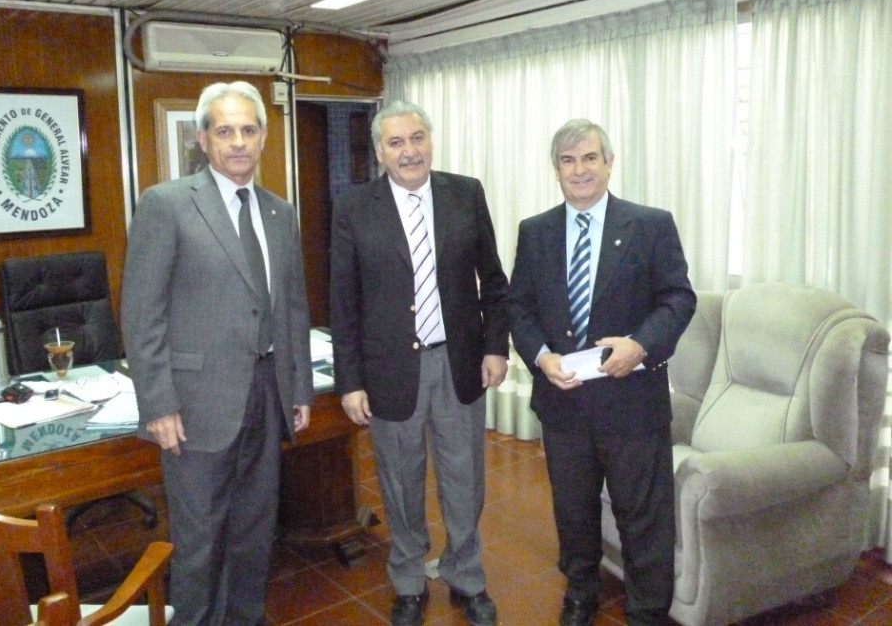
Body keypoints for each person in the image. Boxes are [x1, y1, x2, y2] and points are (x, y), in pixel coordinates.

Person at [121, 81, 313, 626]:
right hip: (196, 404)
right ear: (203, 139)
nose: (238, 143)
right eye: (224, 130)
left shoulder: (279, 212)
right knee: (200, 540)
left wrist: (297, 388)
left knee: (255, 532)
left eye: (248, 130)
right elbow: (142, 314)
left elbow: (292, 308)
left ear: (264, 138)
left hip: (266, 396)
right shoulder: (167, 205)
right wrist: (157, 404)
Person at [507, 119, 696, 626]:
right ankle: (581, 592)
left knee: (643, 516)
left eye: (590, 158)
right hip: (563, 402)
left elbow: (678, 299)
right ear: (556, 171)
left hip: (633, 400)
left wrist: (640, 345)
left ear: (609, 162)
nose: (580, 170)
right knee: (573, 510)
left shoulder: (651, 224)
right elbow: (518, 308)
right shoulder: (536, 231)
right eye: (568, 161)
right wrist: (541, 357)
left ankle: (648, 609)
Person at [329, 100, 509, 626]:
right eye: (396, 142)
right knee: (400, 482)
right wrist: (351, 380)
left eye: (417, 138)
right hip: (389, 371)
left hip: (460, 366)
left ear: (431, 139)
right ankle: (408, 579)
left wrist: (496, 346)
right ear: (379, 152)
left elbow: (493, 281)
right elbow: (343, 301)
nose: (409, 151)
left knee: (464, 479)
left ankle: (465, 575)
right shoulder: (353, 208)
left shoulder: (465, 193)